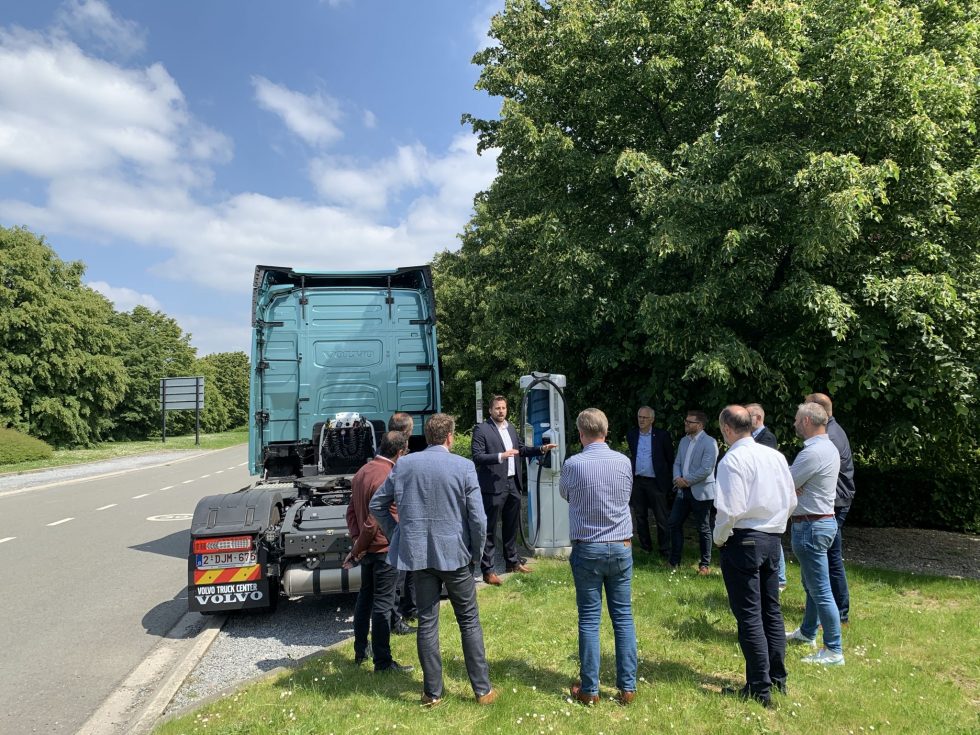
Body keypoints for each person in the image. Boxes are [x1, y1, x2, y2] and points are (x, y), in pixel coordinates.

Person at [370, 413, 497, 706]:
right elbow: (478, 519)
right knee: (469, 622)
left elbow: (377, 504)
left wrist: (398, 534)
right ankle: (482, 691)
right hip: (456, 556)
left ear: (426, 437)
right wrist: (476, 553)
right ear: (450, 437)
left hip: (420, 557)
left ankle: (432, 693)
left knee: (427, 622)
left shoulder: (404, 465)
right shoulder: (464, 467)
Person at [714, 405, 797, 707]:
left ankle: (760, 688)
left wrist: (719, 538)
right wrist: (775, 526)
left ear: (726, 428)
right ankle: (777, 680)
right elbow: (791, 500)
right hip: (772, 538)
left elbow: (729, 510)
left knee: (749, 615)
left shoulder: (733, 459)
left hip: (744, 538)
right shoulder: (776, 456)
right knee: (771, 611)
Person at [560, 408, 637, 706]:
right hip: (620, 545)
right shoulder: (623, 461)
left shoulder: (573, 464)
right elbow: (626, 494)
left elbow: (566, 493)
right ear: (606, 431)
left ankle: (590, 690)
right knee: (623, 618)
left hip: (588, 547)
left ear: (581, 434)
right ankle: (627, 688)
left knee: (590, 620)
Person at [342, 432, 413, 672]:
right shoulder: (388, 475)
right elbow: (374, 522)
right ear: (400, 452)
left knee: (364, 600)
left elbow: (351, 512)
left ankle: (361, 651)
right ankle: (382, 662)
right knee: (382, 605)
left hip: (368, 548)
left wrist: (356, 543)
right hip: (384, 548)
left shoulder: (363, 471)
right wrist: (358, 547)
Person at [471, 395, 556, 585]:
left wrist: (541, 449)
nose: (501, 411)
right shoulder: (481, 430)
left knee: (511, 527)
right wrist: (501, 455)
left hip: (513, 484)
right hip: (493, 486)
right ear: (490, 410)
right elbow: (477, 457)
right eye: (497, 408)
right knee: (490, 529)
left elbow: (522, 450)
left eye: (503, 408)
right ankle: (488, 570)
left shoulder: (510, 428)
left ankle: (513, 562)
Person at [785, 402, 844, 665]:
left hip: (811, 525)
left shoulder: (813, 453)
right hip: (818, 522)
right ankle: (808, 633)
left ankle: (833, 650)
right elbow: (791, 483)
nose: (795, 424)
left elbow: (785, 482)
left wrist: (790, 485)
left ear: (808, 421)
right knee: (812, 586)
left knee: (820, 589)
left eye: (797, 419)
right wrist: (792, 485)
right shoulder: (826, 447)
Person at [805, 392, 855, 624]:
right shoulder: (834, 430)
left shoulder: (830, 436)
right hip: (835, 500)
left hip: (833, 503)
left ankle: (838, 612)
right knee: (830, 557)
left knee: (828, 559)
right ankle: (831, 610)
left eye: (805, 408)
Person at [668, 410, 719, 574]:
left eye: (690, 422)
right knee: (674, 523)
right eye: (686, 421)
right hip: (683, 491)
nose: (686, 424)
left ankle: (704, 564)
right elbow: (677, 463)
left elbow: (706, 469)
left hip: (701, 491)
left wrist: (686, 480)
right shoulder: (684, 441)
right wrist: (677, 478)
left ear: (700, 425)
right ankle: (674, 561)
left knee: (703, 528)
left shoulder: (710, 442)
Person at [748, 403, 788, 590]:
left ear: (758, 418)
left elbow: (761, 465)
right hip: (758, 492)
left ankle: (779, 577)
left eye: (748, 417)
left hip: (766, 492)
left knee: (771, 535)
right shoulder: (753, 437)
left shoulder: (767, 438)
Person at [626, 406, 675, 557]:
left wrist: (668, 481)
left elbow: (670, 459)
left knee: (661, 517)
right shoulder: (632, 435)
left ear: (652, 419)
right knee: (640, 516)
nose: (641, 420)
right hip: (638, 481)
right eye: (639, 417)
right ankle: (646, 547)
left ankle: (664, 549)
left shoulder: (662, 436)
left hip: (656, 482)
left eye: (645, 417)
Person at [388, 411, 418, 635]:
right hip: (399, 523)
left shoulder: (402, 454)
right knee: (398, 574)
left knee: (409, 570)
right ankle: (395, 619)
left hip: (405, 521)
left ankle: (410, 608)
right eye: (411, 428)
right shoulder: (396, 460)